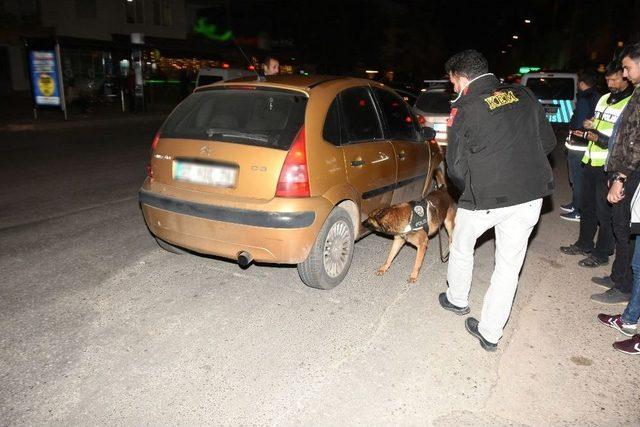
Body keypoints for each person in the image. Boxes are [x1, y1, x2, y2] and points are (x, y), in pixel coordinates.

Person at [438, 50, 556, 351]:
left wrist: (469, 191)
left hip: (485, 198)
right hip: (530, 197)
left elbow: (454, 168)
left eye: (453, 82)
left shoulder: (464, 107)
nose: (453, 89)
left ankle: (457, 299)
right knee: (508, 266)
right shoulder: (525, 94)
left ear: (463, 78)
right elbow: (549, 143)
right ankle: (490, 333)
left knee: (462, 246)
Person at [559, 62, 634, 270]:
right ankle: (584, 244)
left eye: (615, 79)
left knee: (605, 213)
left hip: (609, 165)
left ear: (625, 78)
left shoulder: (630, 102)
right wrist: (591, 125)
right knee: (587, 207)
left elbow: (623, 138)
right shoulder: (603, 99)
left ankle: (601, 253)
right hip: (591, 160)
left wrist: (597, 136)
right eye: (608, 80)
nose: (610, 83)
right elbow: (600, 122)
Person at [596, 42, 640, 353]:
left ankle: (622, 286)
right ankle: (629, 313)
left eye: (627, 67)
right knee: (622, 231)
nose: (624, 74)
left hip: (630, 172)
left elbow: (637, 141)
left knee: (625, 233)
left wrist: (621, 177)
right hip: (624, 170)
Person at [561, 70, 601, 221]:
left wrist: (574, 129)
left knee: (578, 179)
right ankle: (575, 204)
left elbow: (579, 122)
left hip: (579, 145)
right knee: (579, 178)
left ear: (582, 84)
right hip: (586, 143)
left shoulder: (585, 98)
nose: (577, 86)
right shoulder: (597, 97)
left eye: (578, 83)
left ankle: (578, 210)